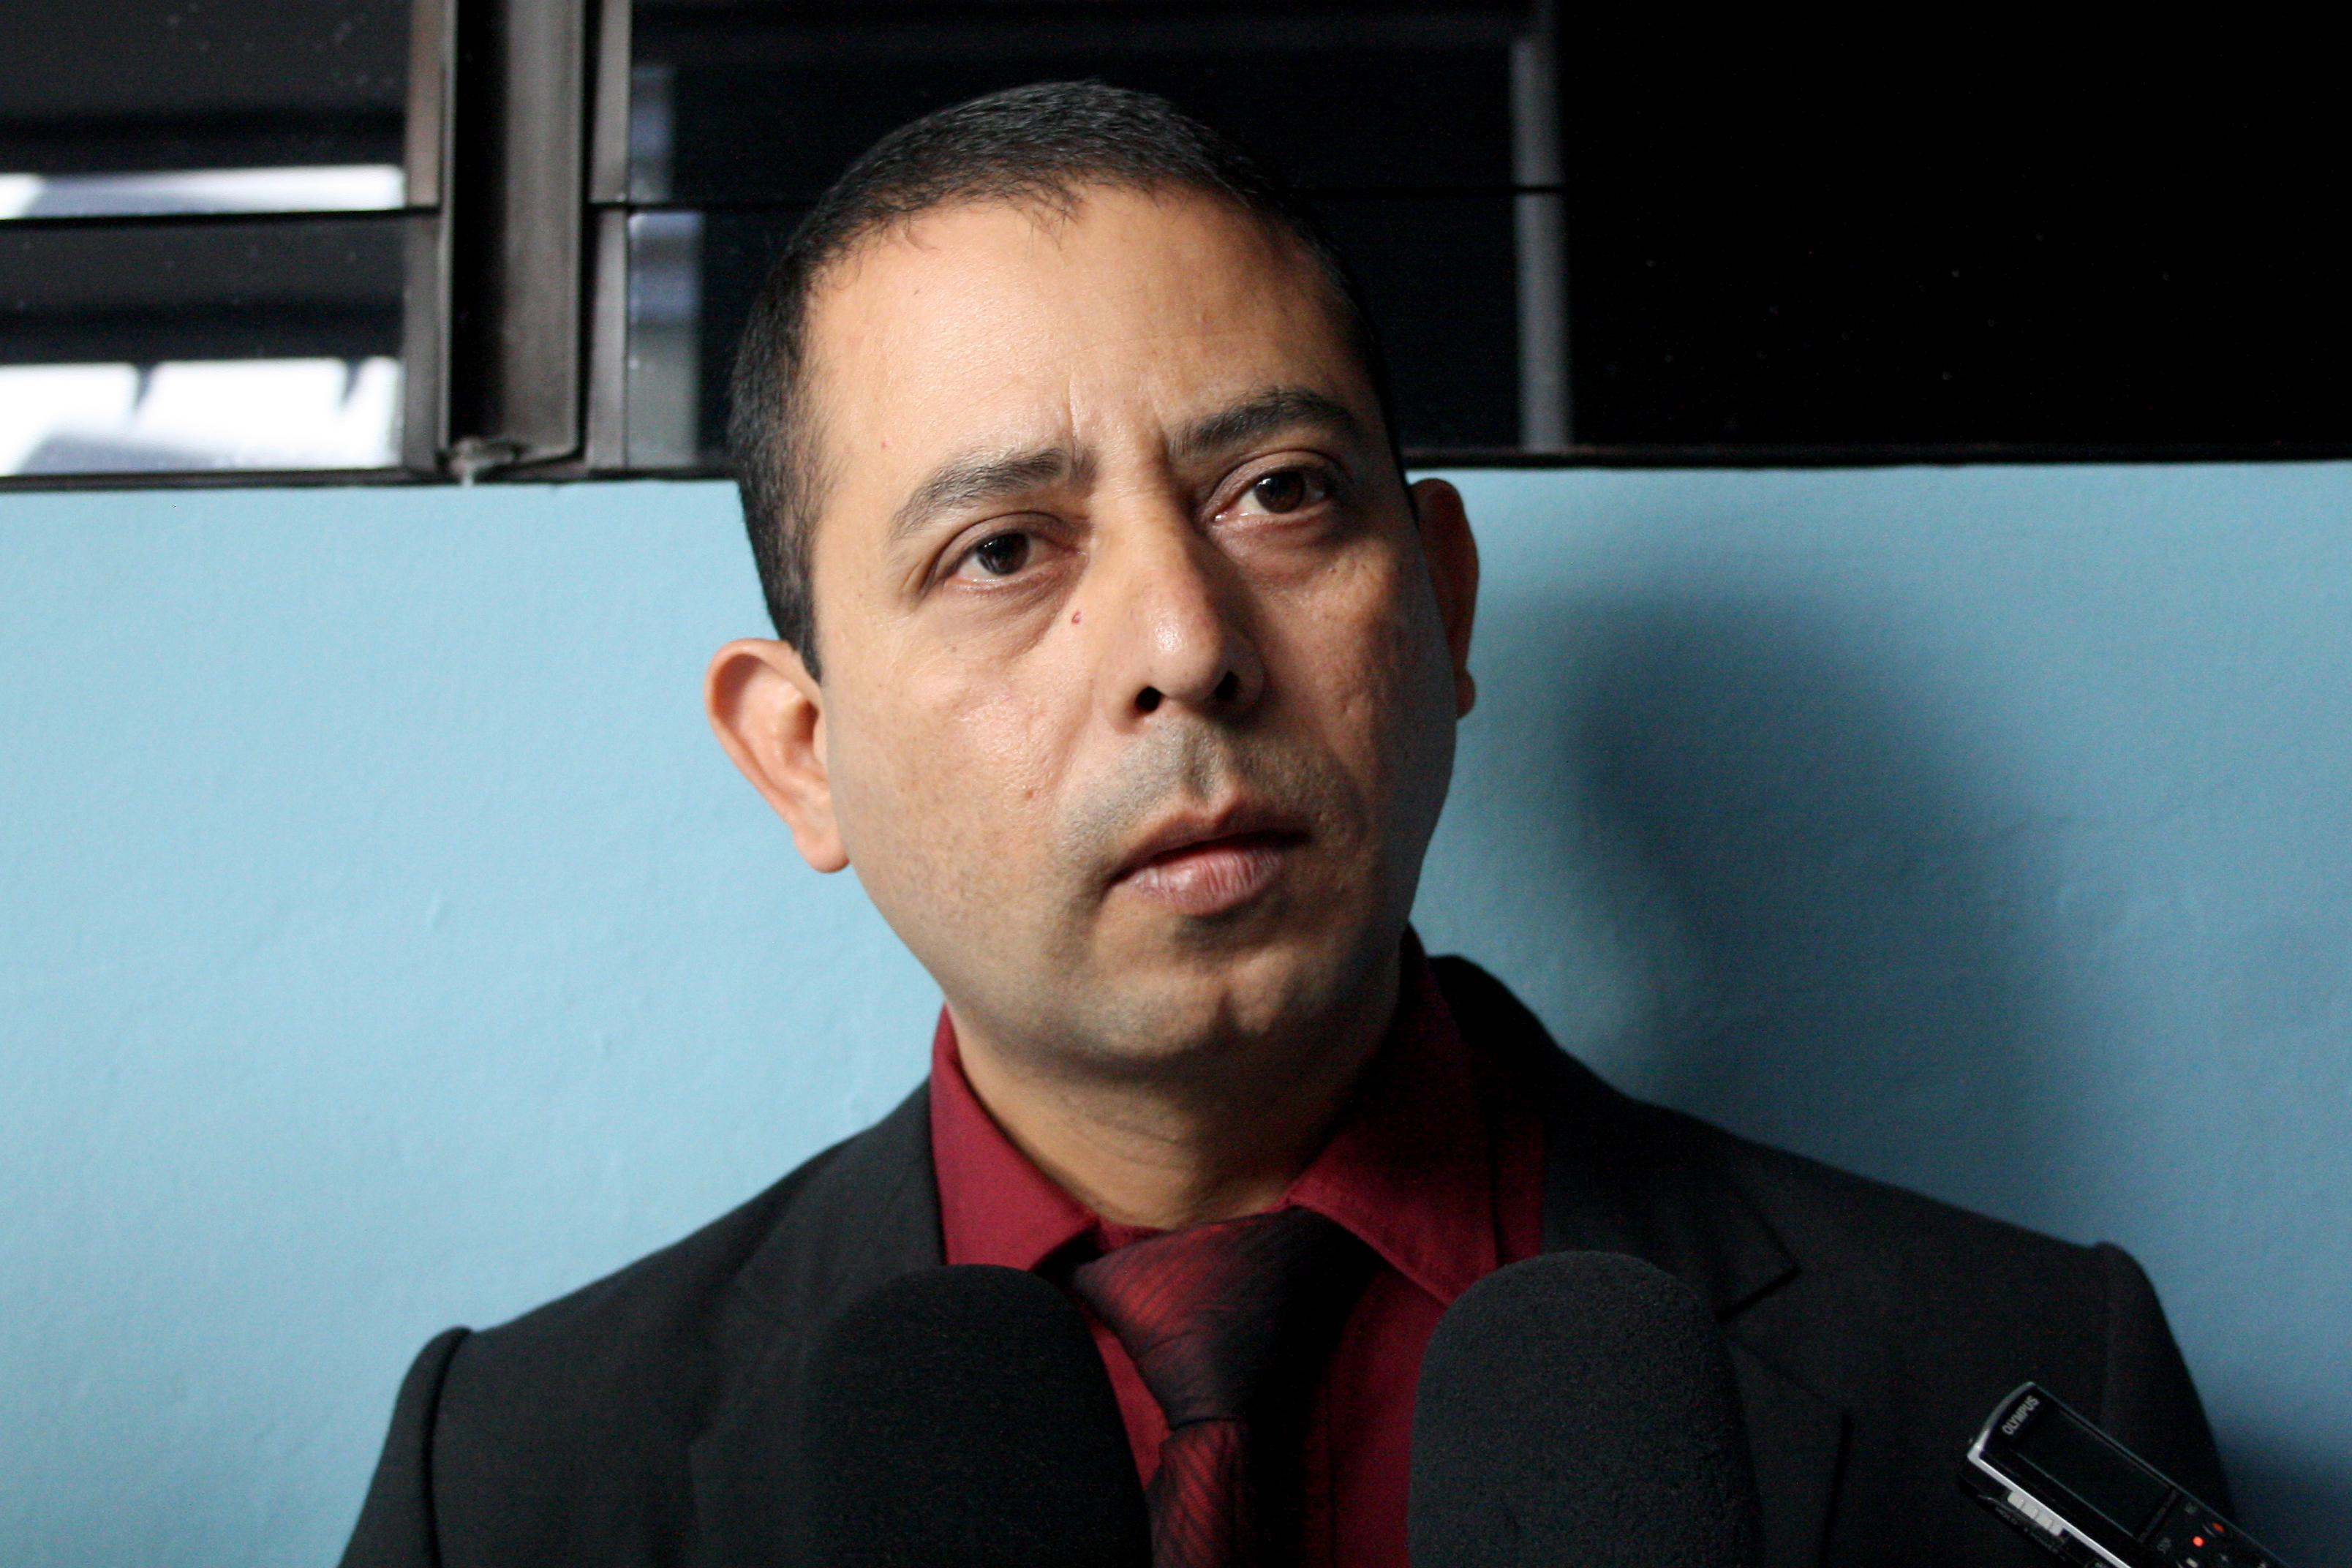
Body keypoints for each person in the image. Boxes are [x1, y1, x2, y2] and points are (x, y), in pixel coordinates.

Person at [338, 82, 2226, 1568]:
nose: (1187, 645)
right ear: (803, 753)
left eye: (1280, 492)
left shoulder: (2020, 1375)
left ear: (1445, 604)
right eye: (1003, 550)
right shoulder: (506, 1478)